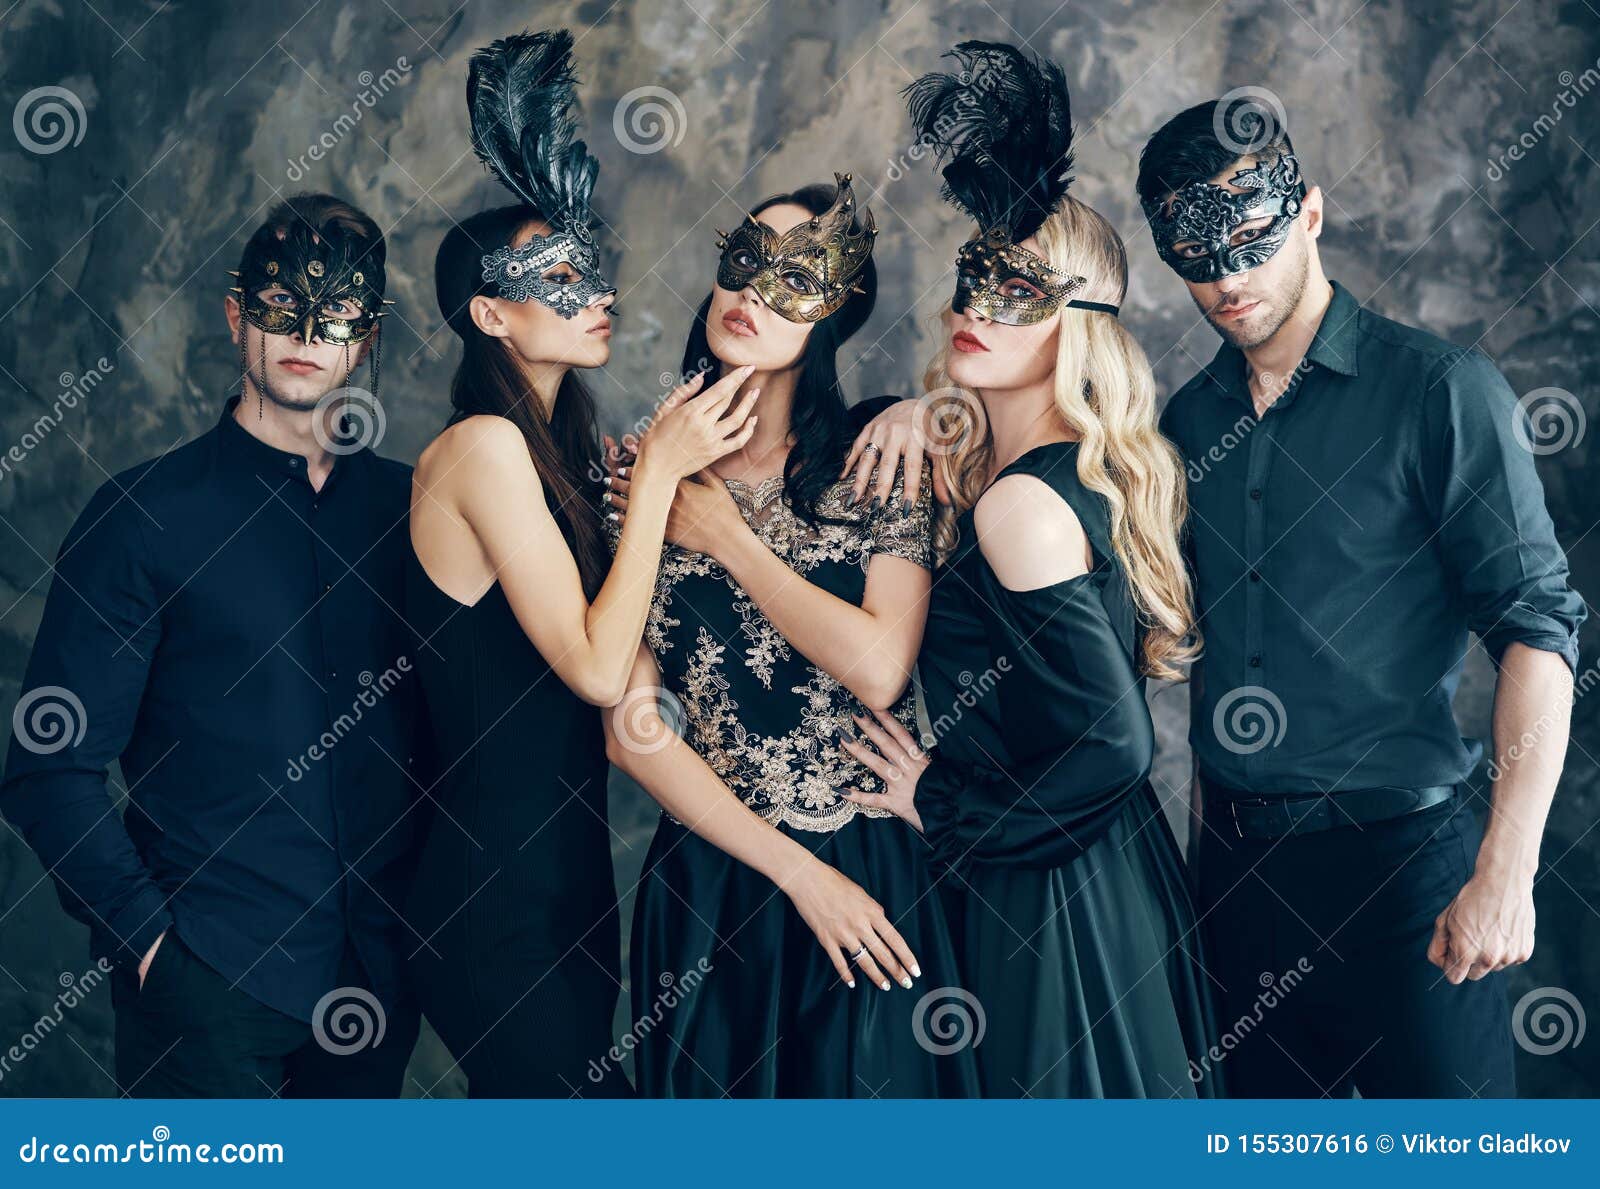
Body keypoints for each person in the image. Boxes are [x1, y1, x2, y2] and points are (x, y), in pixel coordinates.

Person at [1134, 97, 1584, 1096]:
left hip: (1403, 873)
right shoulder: (1189, 417)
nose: (1226, 279)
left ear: (1309, 213)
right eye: (1193, 257)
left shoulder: (1439, 391)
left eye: (1248, 240)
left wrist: (1506, 874)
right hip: (1237, 882)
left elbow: (1537, 631)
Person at [838, 42, 1221, 1098]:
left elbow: (1111, 744)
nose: (976, 305)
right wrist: (922, 409)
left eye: (1016, 290)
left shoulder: (1018, 502)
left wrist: (937, 805)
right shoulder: (1021, 472)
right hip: (1090, 865)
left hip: (1043, 888)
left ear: (1077, 323)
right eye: (974, 277)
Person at [0, 191, 422, 1097]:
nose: (306, 333)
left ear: (369, 335)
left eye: (337, 313)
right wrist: (153, 947)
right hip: (207, 987)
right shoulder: (143, 515)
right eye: (279, 308)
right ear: (237, 317)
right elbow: (48, 767)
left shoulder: (417, 513)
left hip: (376, 989)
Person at [403, 29, 758, 1098]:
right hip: (484, 896)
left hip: (564, 876)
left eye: (592, 268)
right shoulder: (481, 449)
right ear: (489, 313)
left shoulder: (554, 458)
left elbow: (629, 673)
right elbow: (596, 673)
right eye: (556, 278)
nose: (593, 290)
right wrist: (656, 483)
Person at [602, 173, 979, 1098]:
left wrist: (727, 536)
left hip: (870, 862)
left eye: (794, 278)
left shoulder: (878, 461)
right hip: (714, 878)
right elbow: (631, 726)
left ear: (836, 311)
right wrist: (798, 876)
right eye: (742, 264)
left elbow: (879, 666)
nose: (751, 296)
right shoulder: (634, 479)